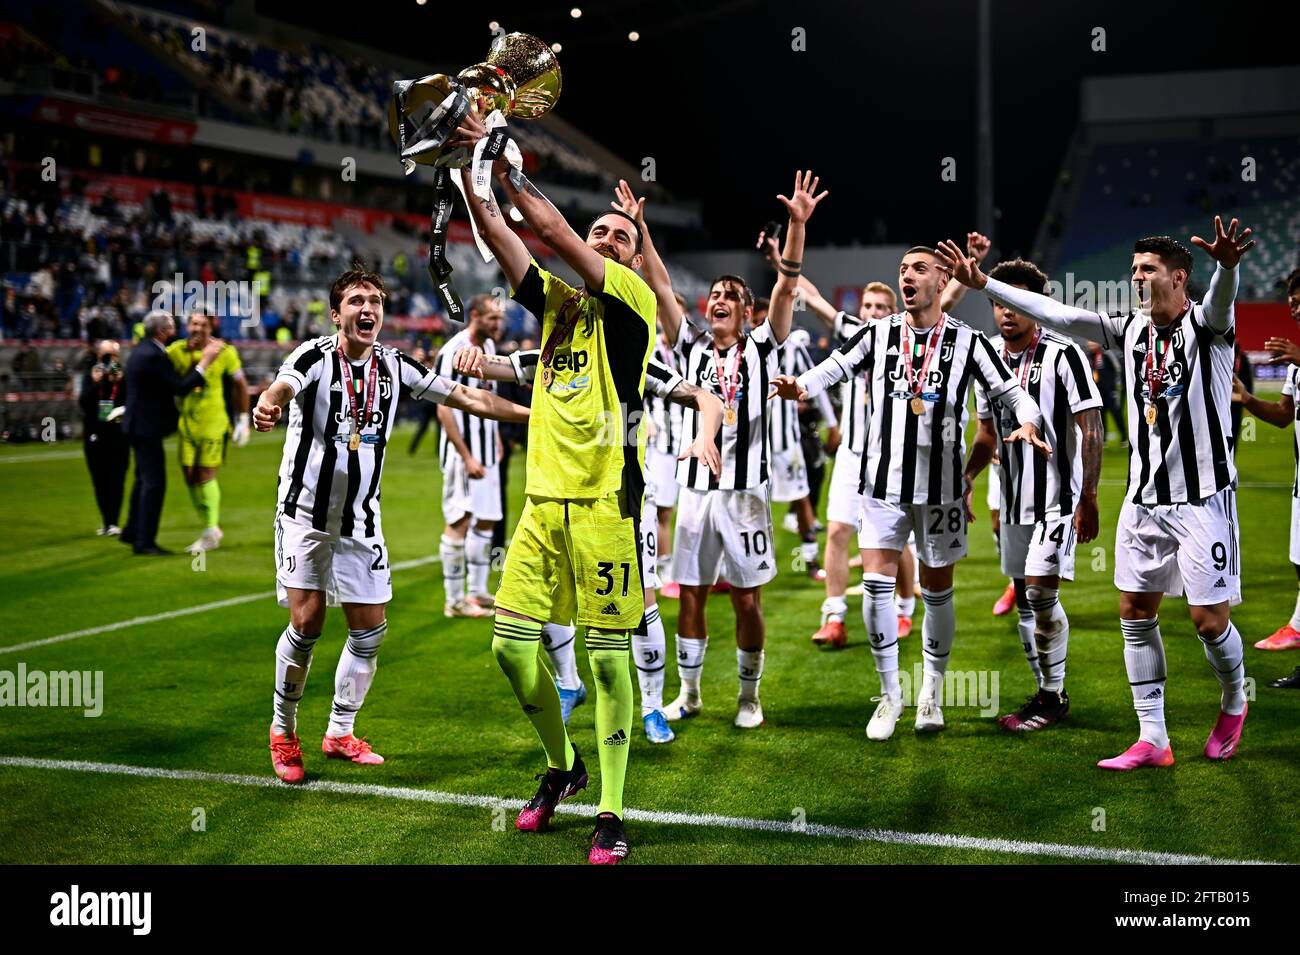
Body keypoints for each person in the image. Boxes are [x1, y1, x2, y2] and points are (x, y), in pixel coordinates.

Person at [938, 216, 1255, 769]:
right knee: (1134, 612)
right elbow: (1058, 313)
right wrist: (984, 282)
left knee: (1208, 621)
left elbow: (1223, 301)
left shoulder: (1208, 324)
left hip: (1202, 497)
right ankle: (1152, 737)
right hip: (1142, 498)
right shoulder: (1128, 330)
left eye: (1148, 269)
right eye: (1133, 269)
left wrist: (1227, 266)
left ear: (1179, 278)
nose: (1136, 277)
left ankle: (1234, 700)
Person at [452, 113, 657, 864]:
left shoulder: (629, 304)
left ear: (631, 257)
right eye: (598, 235)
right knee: (510, 651)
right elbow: (504, 236)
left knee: (606, 661)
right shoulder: (560, 310)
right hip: (542, 503)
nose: (602, 241)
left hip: (606, 501)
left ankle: (610, 809)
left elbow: (552, 232)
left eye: (615, 236)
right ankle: (560, 764)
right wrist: (471, 169)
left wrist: (506, 159)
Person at [252, 267, 528, 786]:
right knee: (307, 626)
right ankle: (284, 730)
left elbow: (466, 397)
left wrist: (533, 415)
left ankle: (339, 731)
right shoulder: (312, 356)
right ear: (337, 314)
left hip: (361, 520)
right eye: (356, 300)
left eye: (375, 301)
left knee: (370, 630)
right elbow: (282, 387)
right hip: (304, 518)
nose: (368, 309)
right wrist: (267, 406)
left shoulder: (395, 365)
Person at [773, 246, 1048, 741]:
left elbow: (1012, 392)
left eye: (919, 268)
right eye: (903, 269)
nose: (907, 276)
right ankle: (889, 696)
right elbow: (833, 367)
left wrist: (1028, 420)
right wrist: (801, 387)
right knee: (877, 589)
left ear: (942, 280)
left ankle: (931, 693)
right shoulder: (877, 334)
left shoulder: (969, 343)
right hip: (881, 485)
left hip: (942, 490)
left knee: (937, 593)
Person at [455, 345, 723, 744]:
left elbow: (705, 397)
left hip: (622, 501)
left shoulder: (631, 356)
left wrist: (706, 436)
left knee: (641, 598)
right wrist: (474, 357)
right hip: (557, 496)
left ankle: (651, 706)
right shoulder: (551, 354)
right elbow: (499, 368)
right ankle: (568, 683)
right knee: (546, 596)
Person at [657, 171, 825, 732]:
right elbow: (661, 289)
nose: (722, 300)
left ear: (749, 312)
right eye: (717, 295)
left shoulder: (763, 344)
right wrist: (641, 230)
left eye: (733, 296)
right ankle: (690, 693)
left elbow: (785, 287)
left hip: (747, 494)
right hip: (696, 494)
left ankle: (750, 697)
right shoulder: (692, 348)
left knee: (747, 602)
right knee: (691, 595)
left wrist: (797, 227)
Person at [963, 259, 1104, 731]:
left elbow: (1091, 427)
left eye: (1015, 302)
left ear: (1034, 306)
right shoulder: (988, 362)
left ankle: (1051, 695)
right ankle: (1047, 691)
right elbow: (986, 434)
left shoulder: (1065, 355)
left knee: (1042, 592)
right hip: (1013, 501)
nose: (1006, 312)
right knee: (1026, 598)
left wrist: (1089, 496)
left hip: (1057, 498)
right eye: (998, 302)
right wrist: (968, 478)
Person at [1234, 267, 1300, 657]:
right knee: (1299, 561)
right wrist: (1248, 400)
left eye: (1298, 303)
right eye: (1290, 303)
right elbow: (1282, 415)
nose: (1292, 310)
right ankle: (1297, 627)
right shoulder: (1294, 366)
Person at [120, 311, 222, 555]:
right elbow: (180, 388)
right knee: (154, 484)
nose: (175, 328)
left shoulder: (142, 350)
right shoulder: (154, 355)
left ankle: (132, 530)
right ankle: (144, 542)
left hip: (137, 425)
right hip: (146, 427)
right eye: (171, 325)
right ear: (162, 331)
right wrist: (204, 362)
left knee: (141, 480)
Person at [435, 294, 505, 618]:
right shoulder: (453, 351)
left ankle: (477, 592)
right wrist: (466, 456)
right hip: (463, 454)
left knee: (488, 519)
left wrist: (498, 438)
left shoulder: (489, 349)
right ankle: (454, 600)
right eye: (492, 318)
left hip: (488, 450)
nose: (498, 324)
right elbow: (443, 408)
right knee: (460, 520)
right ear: (474, 315)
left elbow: (489, 401)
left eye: (500, 318)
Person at [166, 313, 250, 552]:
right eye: (194, 323)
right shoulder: (175, 351)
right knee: (189, 476)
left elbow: (240, 385)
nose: (198, 328)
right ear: (187, 326)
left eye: (203, 324)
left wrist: (243, 420)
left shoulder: (224, 351)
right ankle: (210, 527)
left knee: (205, 474)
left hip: (214, 423)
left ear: (210, 326)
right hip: (187, 424)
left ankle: (210, 528)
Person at [79, 340, 129, 536]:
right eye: (106, 355)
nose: (110, 360)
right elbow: (83, 403)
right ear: (98, 356)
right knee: (99, 480)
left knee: (116, 479)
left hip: (118, 435)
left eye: (114, 356)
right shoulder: (90, 375)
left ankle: (113, 521)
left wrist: (120, 382)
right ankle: (107, 522)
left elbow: (131, 400)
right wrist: (95, 383)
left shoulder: (124, 377)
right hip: (95, 435)